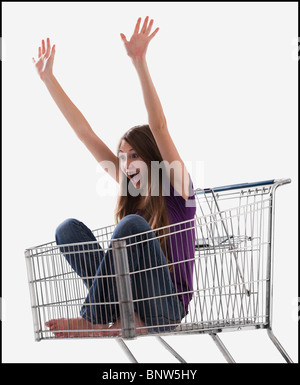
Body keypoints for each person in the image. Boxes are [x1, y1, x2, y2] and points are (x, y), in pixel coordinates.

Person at [32, 16, 196, 338]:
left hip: (166, 306)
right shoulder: (130, 194)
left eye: (134, 156)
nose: (125, 163)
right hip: (126, 299)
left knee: (130, 227)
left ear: (153, 158)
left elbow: (159, 127)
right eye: (122, 157)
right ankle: (110, 314)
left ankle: (94, 318)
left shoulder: (179, 190)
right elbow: (85, 134)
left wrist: (140, 63)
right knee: (67, 230)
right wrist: (48, 79)